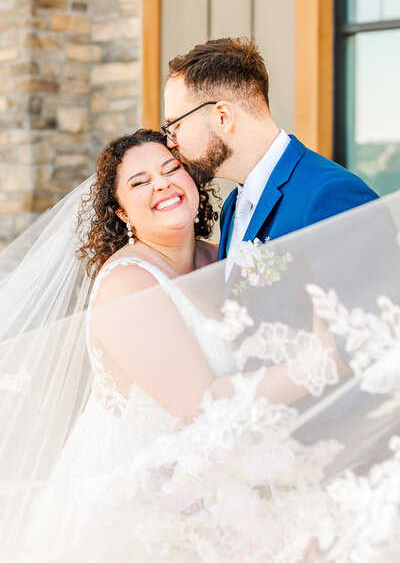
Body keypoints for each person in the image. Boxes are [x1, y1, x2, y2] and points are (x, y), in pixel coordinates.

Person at [0, 127, 399, 562]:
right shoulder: (128, 284)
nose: (162, 184)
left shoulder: (225, 258)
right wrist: (319, 363)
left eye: (172, 169)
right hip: (140, 499)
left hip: (223, 482)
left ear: (193, 182)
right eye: (140, 182)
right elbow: (200, 405)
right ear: (121, 212)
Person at [162, 37, 379, 272]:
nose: (170, 141)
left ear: (222, 116)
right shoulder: (232, 207)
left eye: (176, 125)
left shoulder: (331, 196)